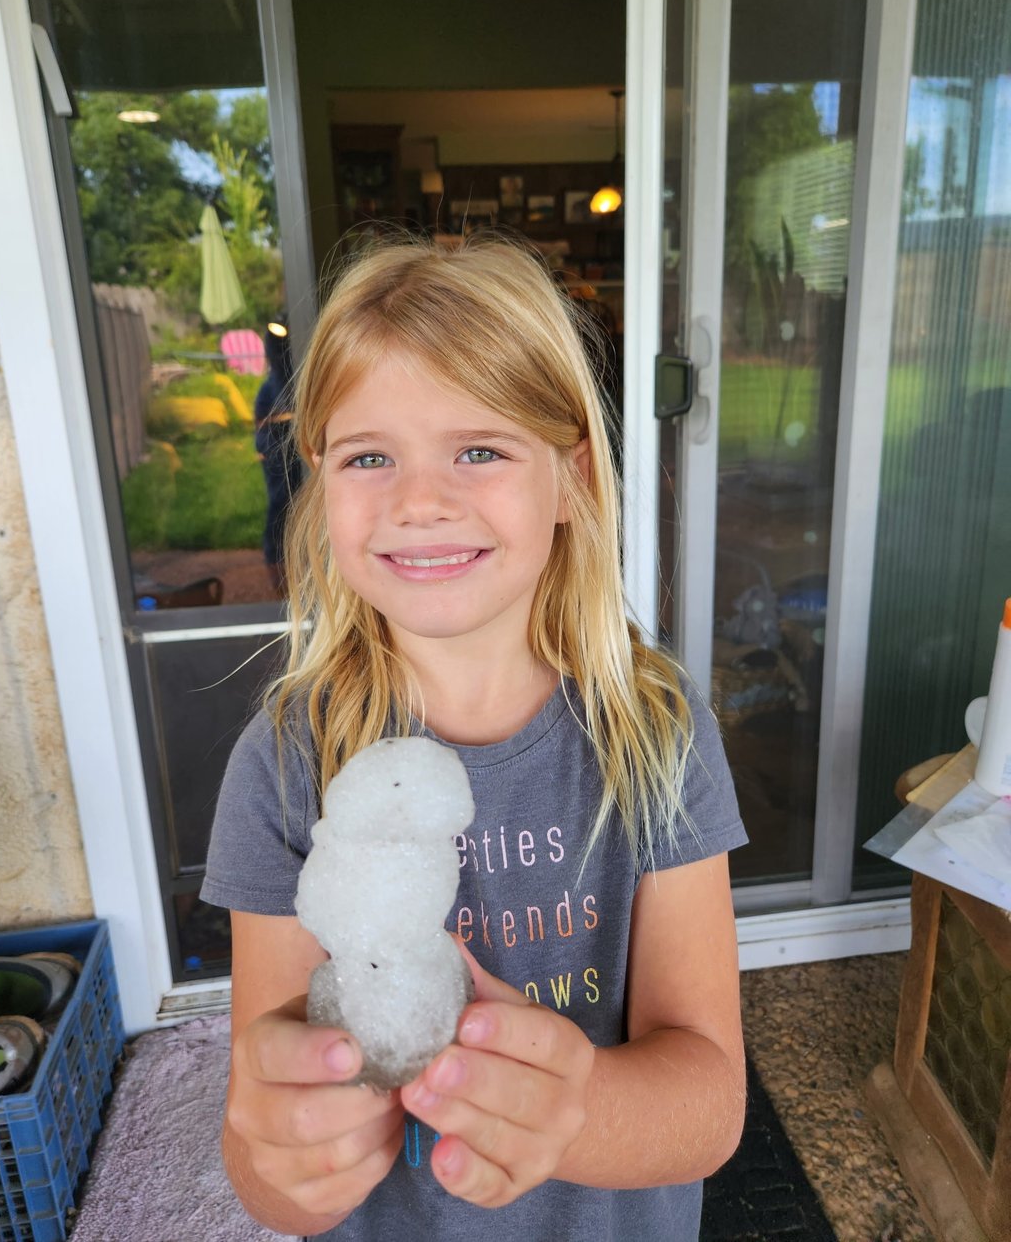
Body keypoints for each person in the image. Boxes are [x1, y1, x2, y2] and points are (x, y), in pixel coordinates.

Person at [201, 236, 748, 1241]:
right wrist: (290, 1152)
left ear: (573, 478)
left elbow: (708, 1098)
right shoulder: (286, 765)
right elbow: (271, 1169)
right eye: (369, 456)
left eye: (479, 448)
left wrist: (571, 1105)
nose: (419, 500)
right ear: (320, 487)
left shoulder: (656, 734)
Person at [254, 321, 304, 596]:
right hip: (277, 454)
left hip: (301, 458)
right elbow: (261, 425)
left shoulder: (300, 380)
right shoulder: (269, 389)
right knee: (281, 508)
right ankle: (280, 581)